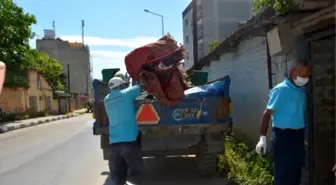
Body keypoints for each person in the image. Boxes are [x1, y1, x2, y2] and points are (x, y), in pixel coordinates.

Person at [255, 60, 312, 185]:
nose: (306, 79)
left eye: (308, 76)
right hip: (283, 137)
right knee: (283, 173)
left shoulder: (301, 90)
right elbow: (267, 114)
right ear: (293, 73)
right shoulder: (281, 90)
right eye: (303, 75)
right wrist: (262, 138)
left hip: (297, 136)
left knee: (296, 171)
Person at [104, 76, 144, 185]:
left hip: (114, 145)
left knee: (118, 177)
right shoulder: (126, 94)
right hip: (130, 141)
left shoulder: (106, 99)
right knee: (136, 174)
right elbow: (140, 87)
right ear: (121, 86)